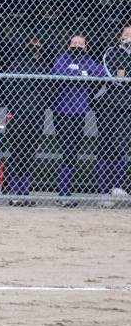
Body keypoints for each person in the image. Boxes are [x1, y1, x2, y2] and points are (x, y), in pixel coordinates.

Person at [51, 33, 106, 207]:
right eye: (74, 43)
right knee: (67, 149)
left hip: (79, 112)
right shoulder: (62, 57)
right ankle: (63, 194)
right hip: (62, 111)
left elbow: (101, 72)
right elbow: (60, 71)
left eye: (80, 44)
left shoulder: (88, 60)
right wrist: (82, 72)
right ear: (69, 45)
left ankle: (65, 192)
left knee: (72, 150)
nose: (77, 46)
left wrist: (79, 70)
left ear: (85, 47)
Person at [3, 36, 50, 206]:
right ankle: (14, 192)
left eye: (38, 44)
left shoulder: (44, 67)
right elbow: (10, 89)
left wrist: (35, 91)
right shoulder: (16, 65)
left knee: (30, 153)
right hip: (18, 113)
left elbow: (48, 90)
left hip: (36, 114)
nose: (35, 47)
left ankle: (24, 192)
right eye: (31, 44)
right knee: (17, 151)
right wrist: (32, 85)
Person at [97, 24, 131, 205]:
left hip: (127, 105)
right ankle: (103, 191)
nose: (129, 37)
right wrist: (122, 77)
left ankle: (117, 187)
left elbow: (124, 76)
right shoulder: (111, 51)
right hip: (109, 104)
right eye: (126, 34)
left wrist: (125, 75)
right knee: (105, 145)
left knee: (120, 145)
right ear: (120, 36)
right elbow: (115, 78)